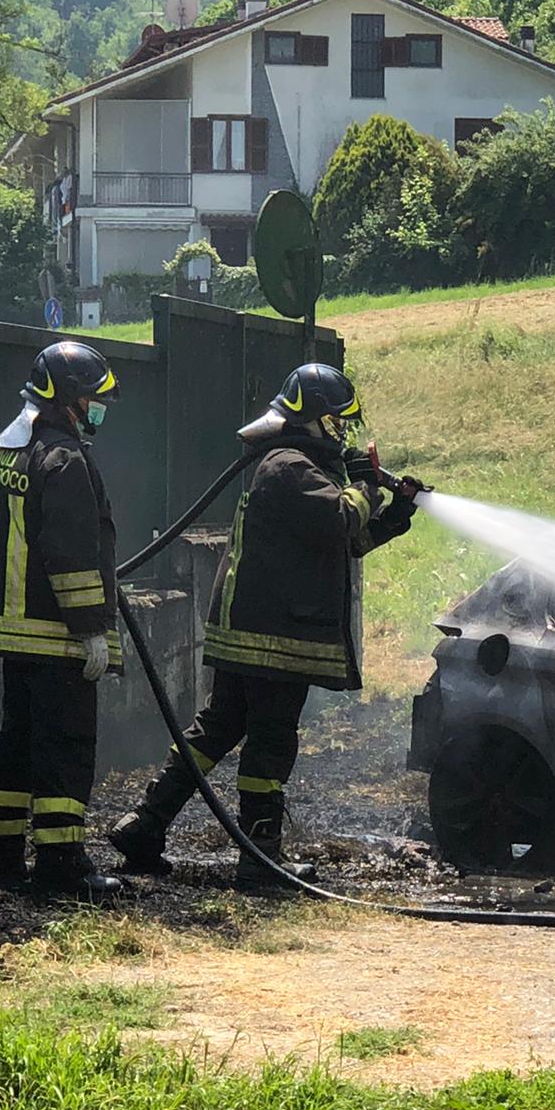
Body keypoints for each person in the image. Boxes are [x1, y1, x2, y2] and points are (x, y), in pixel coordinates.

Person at [108, 364, 420, 888]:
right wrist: (367, 487)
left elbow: (338, 547)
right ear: (316, 419)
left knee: (220, 728)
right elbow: (341, 520)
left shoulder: (297, 468)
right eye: (337, 422)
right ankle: (261, 856)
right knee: (270, 742)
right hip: (271, 637)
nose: (343, 433)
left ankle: (145, 824)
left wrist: (394, 516)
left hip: (256, 629)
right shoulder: (289, 467)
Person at [0, 341, 124, 899]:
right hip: (55, 634)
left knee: (14, 743)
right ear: (67, 400)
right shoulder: (64, 458)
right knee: (64, 745)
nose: (97, 407)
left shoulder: (4, 455)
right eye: (91, 397)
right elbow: (70, 553)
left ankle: (2, 858)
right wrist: (90, 631)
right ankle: (62, 865)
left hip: (11, 633)